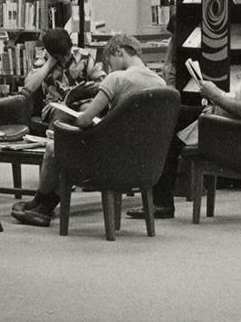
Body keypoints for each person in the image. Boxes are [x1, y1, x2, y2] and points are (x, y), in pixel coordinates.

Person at [130, 22, 241, 221]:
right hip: (229, 123)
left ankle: (160, 203)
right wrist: (217, 95)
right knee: (168, 117)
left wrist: (215, 95)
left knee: (164, 129)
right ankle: (158, 201)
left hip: (229, 130)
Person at [11, 32, 166, 227]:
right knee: (67, 146)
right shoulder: (161, 84)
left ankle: (42, 206)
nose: (109, 68)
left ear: (118, 51)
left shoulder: (117, 78)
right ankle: (42, 207)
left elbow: (84, 120)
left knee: (55, 147)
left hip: (109, 160)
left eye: (109, 61)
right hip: (144, 162)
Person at [20, 26, 105, 132]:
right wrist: (50, 62)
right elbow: (28, 87)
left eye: (67, 54)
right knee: (61, 115)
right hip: (56, 105)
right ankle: (57, 145)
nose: (65, 59)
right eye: (59, 56)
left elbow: (103, 81)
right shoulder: (43, 60)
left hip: (82, 103)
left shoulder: (83, 57)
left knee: (90, 111)